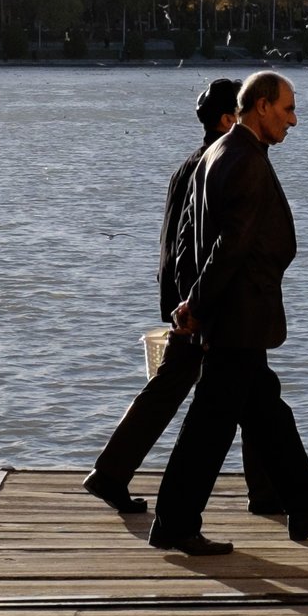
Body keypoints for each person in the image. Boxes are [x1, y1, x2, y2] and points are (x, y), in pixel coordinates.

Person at [150, 71, 308, 555]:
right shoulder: (244, 160)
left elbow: (190, 240)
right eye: (287, 109)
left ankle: (303, 504)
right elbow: (229, 247)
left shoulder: (220, 152)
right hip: (238, 313)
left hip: (235, 312)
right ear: (261, 106)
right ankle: (174, 523)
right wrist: (196, 303)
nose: (293, 120)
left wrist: (190, 299)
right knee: (209, 425)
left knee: (266, 409)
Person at [82, 78, 280, 516]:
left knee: (246, 388)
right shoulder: (221, 162)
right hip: (208, 305)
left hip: (196, 299)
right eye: (245, 112)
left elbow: (173, 241)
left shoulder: (192, 164)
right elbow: (198, 243)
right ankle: (117, 475)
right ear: (228, 119)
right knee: (233, 387)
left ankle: (266, 489)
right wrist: (196, 305)